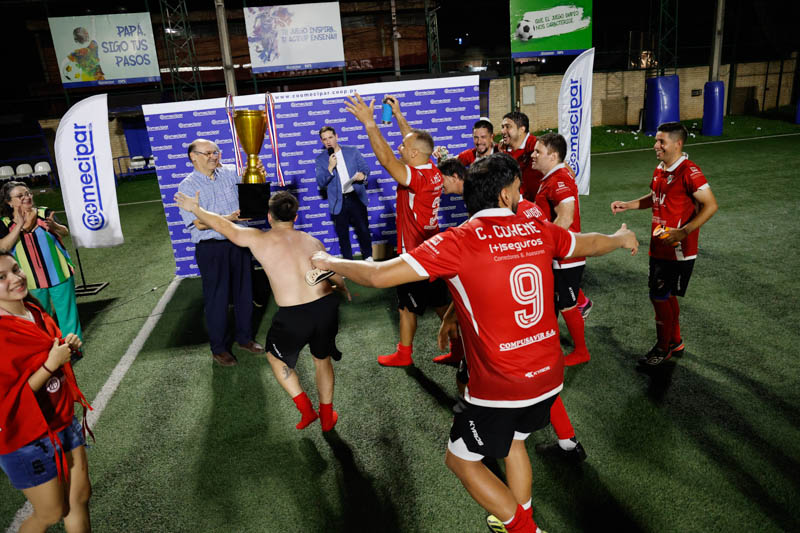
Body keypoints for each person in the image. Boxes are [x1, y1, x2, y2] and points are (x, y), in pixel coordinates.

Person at [311, 153, 638, 532]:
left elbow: (378, 275)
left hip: (500, 387)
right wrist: (620, 238)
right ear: (504, 195)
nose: (521, 194)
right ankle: (523, 516)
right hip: (549, 378)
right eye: (518, 188)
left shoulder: (458, 241)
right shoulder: (538, 229)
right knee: (514, 442)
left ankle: (525, 529)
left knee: (461, 460)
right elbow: (589, 243)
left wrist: (329, 261)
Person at [174, 190, 350, 432]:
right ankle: (327, 417)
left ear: (269, 216)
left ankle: (307, 411)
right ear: (295, 217)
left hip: (294, 316)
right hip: (325, 307)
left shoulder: (258, 239)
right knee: (322, 360)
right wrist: (343, 288)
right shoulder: (312, 241)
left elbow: (223, 226)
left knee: (275, 357)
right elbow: (333, 272)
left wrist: (195, 209)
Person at [344, 93, 451, 367]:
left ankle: (404, 355)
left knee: (406, 306)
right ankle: (461, 350)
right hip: (434, 252)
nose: (399, 146)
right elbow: (415, 143)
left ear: (414, 154)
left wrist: (369, 123)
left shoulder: (417, 178)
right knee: (438, 304)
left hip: (415, 255)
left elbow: (387, 161)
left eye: (403, 146)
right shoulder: (432, 170)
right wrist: (399, 115)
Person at [610, 121, 718, 367]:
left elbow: (711, 205)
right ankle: (675, 341)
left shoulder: (689, 172)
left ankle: (663, 347)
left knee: (659, 297)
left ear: (677, 144)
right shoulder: (661, 169)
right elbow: (655, 197)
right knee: (664, 297)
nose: (656, 145)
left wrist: (683, 232)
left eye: (661, 142)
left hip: (677, 251)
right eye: (656, 140)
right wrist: (629, 204)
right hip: (659, 247)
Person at [0, 251, 93, 532]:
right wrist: (51, 364)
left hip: (61, 419)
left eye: (16, 269)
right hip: (27, 438)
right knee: (51, 513)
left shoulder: (33, 308)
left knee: (79, 498)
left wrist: (65, 344)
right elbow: (6, 403)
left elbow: (46, 350)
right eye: (2, 277)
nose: (16, 278)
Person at [176, 139, 264, 367]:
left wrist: (257, 176)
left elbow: (251, 199)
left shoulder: (231, 173)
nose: (213, 156)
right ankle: (219, 348)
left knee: (244, 293)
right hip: (211, 248)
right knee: (217, 299)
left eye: (215, 152)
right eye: (207, 153)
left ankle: (245, 338)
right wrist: (229, 219)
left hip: (239, 242)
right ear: (193, 157)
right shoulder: (187, 186)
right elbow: (199, 224)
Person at [531, 133, 591, 367]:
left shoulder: (558, 180)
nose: (533, 155)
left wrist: (543, 248)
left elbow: (565, 218)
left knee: (567, 305)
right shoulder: (552, 177)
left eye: (538, 152)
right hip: (559, 254)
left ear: (553, 156)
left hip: (566, 256)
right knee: (555, 303)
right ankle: (548, 346)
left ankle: (581, 351)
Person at [1, 181, 83, 342]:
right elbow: (3, 247)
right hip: (29, 281)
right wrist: (19, 225)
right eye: (20, 196)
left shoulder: (45, 213)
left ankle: (74, 349)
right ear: (9, 202)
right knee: (40, 319)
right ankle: (48, 349)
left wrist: (55, 226)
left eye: (28, 193)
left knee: (68, 317)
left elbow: (65, 231)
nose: (26, 197)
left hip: (59, 273)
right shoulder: (4, 223)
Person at [315, 126, 373, 260]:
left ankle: (369, 258)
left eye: (330, 137)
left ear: (336, 137)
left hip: (355, 196)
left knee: (363, 230)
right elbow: (321, 183)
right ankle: (348, 263)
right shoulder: (321, 159)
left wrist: (362, 175)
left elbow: (365, 168)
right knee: (343, 235)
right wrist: (330, 167)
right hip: (338, 201)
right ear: (322, 141)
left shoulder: (352, 151)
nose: (328, 141)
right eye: (325, 139)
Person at [499, 111, 542, 201]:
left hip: (539, 205)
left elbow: (561, 169)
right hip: (519, 204)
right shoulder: (503, 150)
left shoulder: (537, 145)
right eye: (502, 127)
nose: (503, 131)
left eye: (508, 127)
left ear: (521, 129)